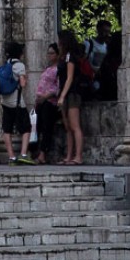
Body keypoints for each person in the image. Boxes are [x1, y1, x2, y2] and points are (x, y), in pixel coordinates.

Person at [0, 41, 34, 166]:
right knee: (26, 127)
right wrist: (24, 78)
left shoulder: (6, 64)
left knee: (7, 129)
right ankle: (23, 154)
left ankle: (11, 157)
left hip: (5, 102)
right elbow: (23, 84)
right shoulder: (19, 65)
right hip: (17, 103)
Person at [56, 30, 84, 165]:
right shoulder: (63, 57)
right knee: (67, 126)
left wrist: (62, 96)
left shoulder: (70, 57)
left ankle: (78, 156)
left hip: (72, 93)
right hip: (64, 93)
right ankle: (68, 156)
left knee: (74, 125)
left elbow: (70, 77)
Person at [34, 42, 61, 164]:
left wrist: (45, 96)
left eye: (52, 53)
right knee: (37, 126)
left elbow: (57, 87)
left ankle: (43, 154)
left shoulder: (58, 69)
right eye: (48, 53)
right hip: (41, 102)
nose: (49, 55)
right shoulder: (48, 69)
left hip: (50, 102)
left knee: (47, 127)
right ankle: (35, 151)